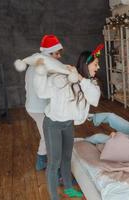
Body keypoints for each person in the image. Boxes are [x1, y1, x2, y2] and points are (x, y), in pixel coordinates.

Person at [33, 44, 103, 200]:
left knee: (66, 158)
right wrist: (40, 73)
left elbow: (95, 99)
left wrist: (80, 78)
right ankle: (54, 198)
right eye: (96, 64)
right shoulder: (62, 78)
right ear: (86, 64)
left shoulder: (91, 83)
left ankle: (69, 189)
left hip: (68, 124)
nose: (98, 67)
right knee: (54, 162)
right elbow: (42, 92)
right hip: (53, 124)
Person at [25, 35, 63, 171]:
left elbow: (27, 87)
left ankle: (41, 161)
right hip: (39, 108)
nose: (59, 56)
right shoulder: (45, 66)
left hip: (32, 107)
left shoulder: (34, 64)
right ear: (49, 53)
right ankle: (56, 171)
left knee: (46, 135)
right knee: (50, 138)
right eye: (57, 53)